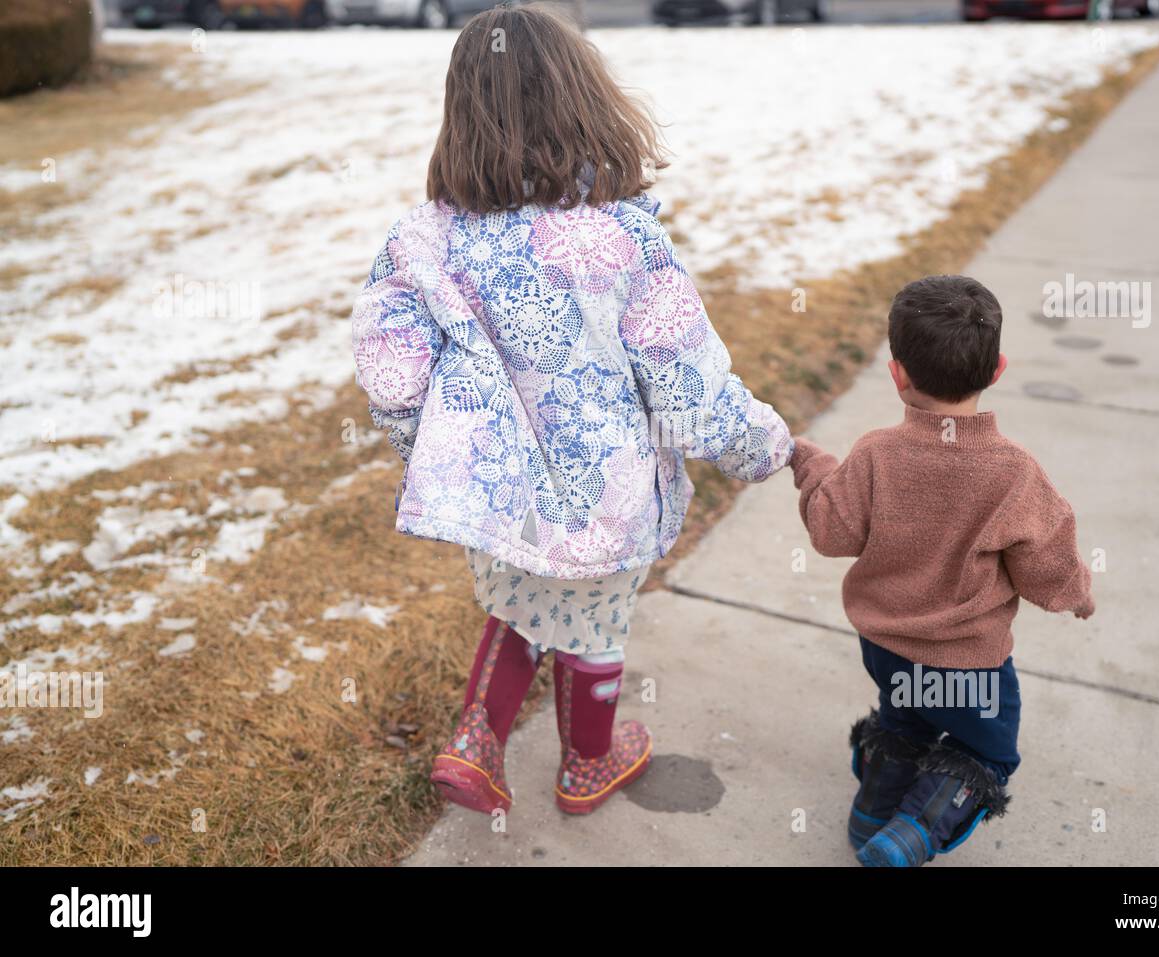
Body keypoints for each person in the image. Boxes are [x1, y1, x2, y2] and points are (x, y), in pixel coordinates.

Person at [350, 4, 792, 818]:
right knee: (593, 625)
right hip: (606, 498)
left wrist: (431, 445)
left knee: (518, 600)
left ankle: (477, 739)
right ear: (586, 103)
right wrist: (764, 445)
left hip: (497, 496)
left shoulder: (427, 240)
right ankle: (588, 763)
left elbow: (391, 368)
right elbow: (688, 386)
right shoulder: (623, 240)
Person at [790, 275, 1094, 866]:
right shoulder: (1013, 472)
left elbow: (832, 532)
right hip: (968, 663)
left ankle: (872, 813)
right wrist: (1078, 593)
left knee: (903, 725)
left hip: (886, 647)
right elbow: (1045, 565)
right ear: (998, 368)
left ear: (897, 373)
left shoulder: (876, 453)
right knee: (988, 756)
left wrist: (813, 466)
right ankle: (908, 839)